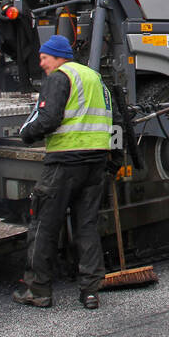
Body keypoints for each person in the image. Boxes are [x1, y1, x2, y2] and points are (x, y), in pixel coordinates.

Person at [14, 35, 116, 310]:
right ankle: (90, 291)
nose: (41, 62)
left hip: (64, 162)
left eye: (44, 57)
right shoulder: (94, 78)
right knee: (86, 225)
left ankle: (38, 290)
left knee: (44, 225)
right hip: (95, 162)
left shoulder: (60, 77)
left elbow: (48, 118)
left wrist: (25, 134)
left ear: (58, 56)